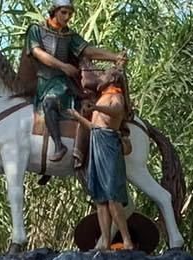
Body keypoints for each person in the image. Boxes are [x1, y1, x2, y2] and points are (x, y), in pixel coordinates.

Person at [24, 3, 125, 164]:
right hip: (39, 80)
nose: (67, 17)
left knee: (50, 102)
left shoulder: (70, 36)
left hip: (60, 82)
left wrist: (114, 57)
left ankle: (59, 146)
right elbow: (38, 53)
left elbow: (88, 50)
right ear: (54, 12)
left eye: (70, 14)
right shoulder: (36, 29)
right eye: (63, 13)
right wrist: (63, 66)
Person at [71, 69, 134, 250]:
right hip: (97, 142)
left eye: (104, 74)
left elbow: (116, 111)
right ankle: (104, 242)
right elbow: (93, 127)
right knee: (100, 199)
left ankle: (127, 240)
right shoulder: (103, 97)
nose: (100, 77)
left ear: (113, 79)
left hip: (108, 144)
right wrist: (76, 116)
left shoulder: (116, 97)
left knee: (112, 196)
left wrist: (97, 108)